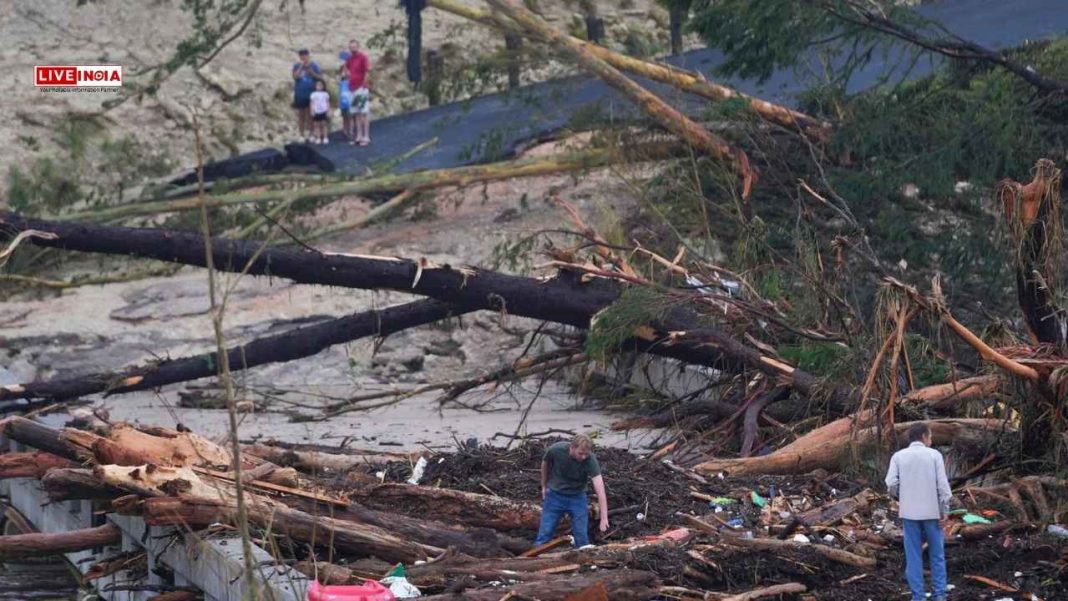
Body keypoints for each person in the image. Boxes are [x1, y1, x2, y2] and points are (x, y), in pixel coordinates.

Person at [885, 423, 952, 601]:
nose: (931, 440)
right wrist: (945, 509)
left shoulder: (898, 456)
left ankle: (918, 596)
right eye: (930, 437)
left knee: (913, 556)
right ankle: (939, 595)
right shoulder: (934, 455)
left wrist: (901, 497)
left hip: (909, 514)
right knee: (937, 555)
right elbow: (943, 485)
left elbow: (891, 483)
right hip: (933, 513)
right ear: (923, 436)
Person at [534, 435, 609, 548]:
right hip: (555, 495)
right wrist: (544, 485)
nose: (583, 457)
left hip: (577, 497)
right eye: (580, 453)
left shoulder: (590, 460)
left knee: (581, 536)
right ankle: (536, 557)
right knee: (545, 532)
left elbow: (600, 489)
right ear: (572, 448)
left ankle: (582, 560)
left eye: (586, 454)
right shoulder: (557, 449)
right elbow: (545, 462)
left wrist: (604, 518)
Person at [344, 39, 372, 146]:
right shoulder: (350, 59)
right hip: (352, 88)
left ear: (358, 47)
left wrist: (365, 84)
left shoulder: (363, 57)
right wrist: (346, 72)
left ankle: (366, 136)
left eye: (354, 47)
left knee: (364, 112)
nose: (352, 49)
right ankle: (359, 135)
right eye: (351, 47)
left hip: (361, 88)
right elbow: (346, 70)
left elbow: (367, 71)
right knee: (356, 113)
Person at [291, 49, 323, 143]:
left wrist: (312, 72)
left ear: (308, 55)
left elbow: (320, 78)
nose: (304, 57)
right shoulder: (296, 66)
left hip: (311, 94)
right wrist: (301, 66)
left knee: (310, 115)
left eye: (305, 55)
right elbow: (295, 77)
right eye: (302, 55)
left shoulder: (314, 65)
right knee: (301, 115)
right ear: (299, 56)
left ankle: (312, 134)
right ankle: (301, 134)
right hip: (300, 94)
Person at [337, 61, 355, 143]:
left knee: (350, 118)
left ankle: (351, 131)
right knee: (344, 118)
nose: (347, 73)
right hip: (343, 103)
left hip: (350, 103)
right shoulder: (342, 82)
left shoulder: (352, 82)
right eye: (345, 71)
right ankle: (345, 131)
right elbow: (339, 92)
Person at [309, 80, 330, 145]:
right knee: (316, 125)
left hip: (323, 111)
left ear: (323, 86)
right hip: (316, 111)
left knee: (324, 124)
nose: (319, 86)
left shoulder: (325, 94)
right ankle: (318, 137)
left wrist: (328, 111)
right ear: (315, 86)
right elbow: (312, 103)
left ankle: (325, 137)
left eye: (321, 85)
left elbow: (327, 102)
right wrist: (312, 111)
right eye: (317, 85)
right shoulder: (313, 94)